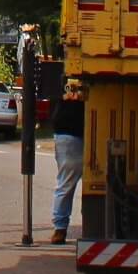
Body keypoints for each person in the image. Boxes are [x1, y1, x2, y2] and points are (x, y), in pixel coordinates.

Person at [48, 74, 86, 243]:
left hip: (65, 130)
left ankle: (60, 229)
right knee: (96, 184)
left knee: (65, 182)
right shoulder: (83, 73)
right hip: (78, 129)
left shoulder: (65, 72)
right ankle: (93, 225)